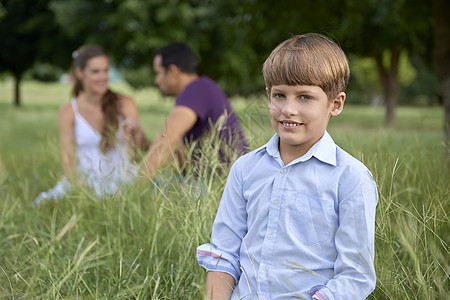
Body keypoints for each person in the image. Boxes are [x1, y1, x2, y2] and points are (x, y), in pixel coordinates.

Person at [196, 33, 378, 300]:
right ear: (269, 96)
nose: (288, 109)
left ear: (335, 104)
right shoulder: (245, 169)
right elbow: (224, 255)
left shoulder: (351, 178)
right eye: (280, 95)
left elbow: (355, 276)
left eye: (305, 97)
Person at [34, 45, 147, 204]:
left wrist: (136, 132)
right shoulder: (68, 111)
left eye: (106, 70)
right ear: (80, 73)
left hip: (121, 180)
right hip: (84, 182)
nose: (103, 77)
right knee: (43, 204)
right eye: (95, 71)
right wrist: (82, 194)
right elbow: (68, 159)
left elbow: (136, 153)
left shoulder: (125, 103)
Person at [137, 42, 247, 179]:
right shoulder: (199, 89)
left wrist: (134, 190)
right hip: (218, 181)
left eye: (158, 73)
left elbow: (165, 142)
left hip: (226, 183)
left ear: (172, 71)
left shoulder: (196, 89)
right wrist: (144, 145)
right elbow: (182, 163)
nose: (156, 80)